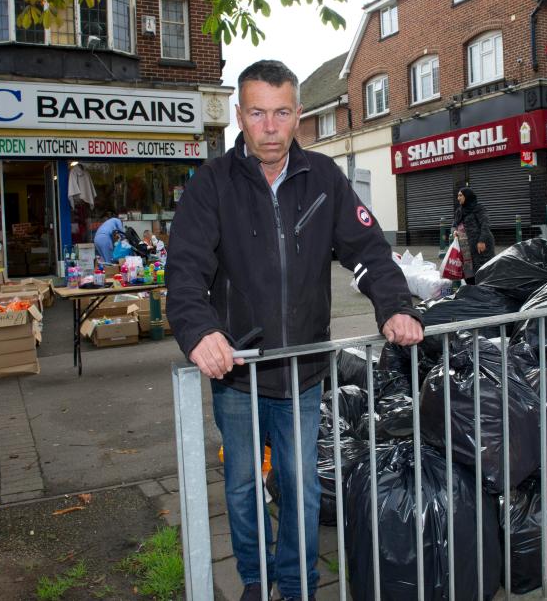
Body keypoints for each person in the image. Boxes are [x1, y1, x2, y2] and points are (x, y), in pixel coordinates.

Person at [166, 59, 422, 601]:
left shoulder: (323, 178)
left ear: (298, 115)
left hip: (303, 374)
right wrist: (198, 332)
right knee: (242, 487)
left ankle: (299, 584)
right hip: (236, 374)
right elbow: (185, 269)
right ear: (239, 114)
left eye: (281, 112)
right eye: (257, 112)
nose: (269, 126)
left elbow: (369, 252)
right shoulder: (212, 185)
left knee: (303, 487)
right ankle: (258, 582)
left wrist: (395, 306)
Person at [452, 187, 495, 285]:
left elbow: (485, 224)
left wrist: (482, 240)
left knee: (482, 270)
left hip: (480, 245)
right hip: (465, 247)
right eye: (457, 196)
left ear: (467, 196)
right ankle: (472, 293)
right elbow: (454, 225)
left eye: (460, 195)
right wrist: (454, 231)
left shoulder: (478, 208)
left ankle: (485, 293)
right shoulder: (459, 211)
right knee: (468, 272)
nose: (458, 198)